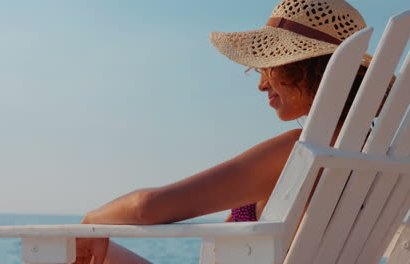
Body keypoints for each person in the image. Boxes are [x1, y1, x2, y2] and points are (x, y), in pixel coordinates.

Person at [74, 0, 389, 263]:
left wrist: (92, 221)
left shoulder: (305, 153)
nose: (262, 83)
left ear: (307, 68)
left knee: (62, 248)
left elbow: (149, 208)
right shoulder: (373, 156)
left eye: (271, 66)